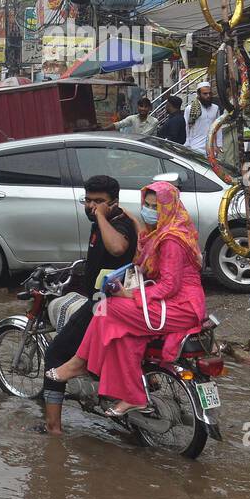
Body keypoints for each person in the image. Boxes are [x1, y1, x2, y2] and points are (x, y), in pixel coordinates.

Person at [49, 181, 207, 416]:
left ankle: (79, 363)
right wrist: (135, 223)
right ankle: (134, 397)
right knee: (121, 336)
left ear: (170, 208)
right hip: (168, 304)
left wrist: (129, 294)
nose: (150, 211)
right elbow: (141, 259)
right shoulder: (158, 233)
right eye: (148, 205)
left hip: (180, 307)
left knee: (106, 308)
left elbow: (169, 286)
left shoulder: (172, 239)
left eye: (156, 207)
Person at [41, 175, 137, 435]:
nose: (92, 207)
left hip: (103, 305)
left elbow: (117, 249)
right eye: (88, 200)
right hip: (103, 299)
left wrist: (103, 216)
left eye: (99, 202)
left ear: (113, 203)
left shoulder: (117, 225)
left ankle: (53, 429)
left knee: (55, 355)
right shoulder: (106, 220)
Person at [185, 82, 222, 153]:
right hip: (196, 147)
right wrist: (188, 144)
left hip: (212, 147)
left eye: (210, 93)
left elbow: (218, 127)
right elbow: (186, 127)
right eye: (205, 94)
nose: (208, 96)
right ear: (198, 94)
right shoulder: (190, 109)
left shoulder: (215, 108)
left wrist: (219, 145)